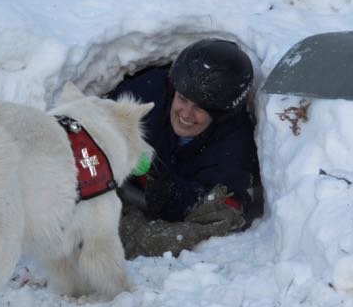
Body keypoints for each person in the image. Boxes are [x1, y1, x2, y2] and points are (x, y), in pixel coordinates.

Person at [108, 38, 261, 259]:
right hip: (120, 190)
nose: (186, 114)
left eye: (200, 107)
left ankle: (118, 237)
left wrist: (173, 195)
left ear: (220, 113)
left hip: (171, 214)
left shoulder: (234, 145)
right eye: (183, 99)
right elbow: (93, 123)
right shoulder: (147, 95)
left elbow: (226, 207)